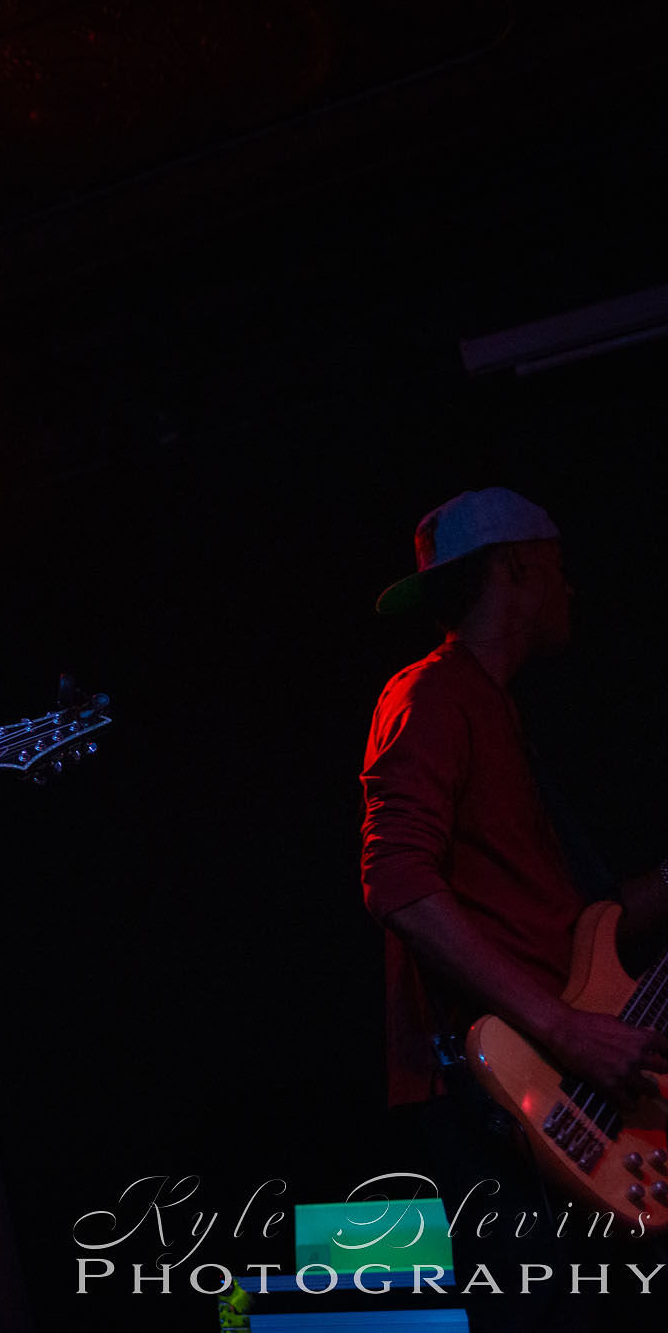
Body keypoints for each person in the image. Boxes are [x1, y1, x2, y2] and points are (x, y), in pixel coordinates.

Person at [359, 486, 668, 1330]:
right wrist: (566, 1031)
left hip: (559, 1089)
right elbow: (397, 883)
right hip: (497, 1095)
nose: (572, 593)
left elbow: (577, 926)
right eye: (559, 572)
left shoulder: (494, 712)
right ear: (519, 569)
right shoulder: (432, 695)